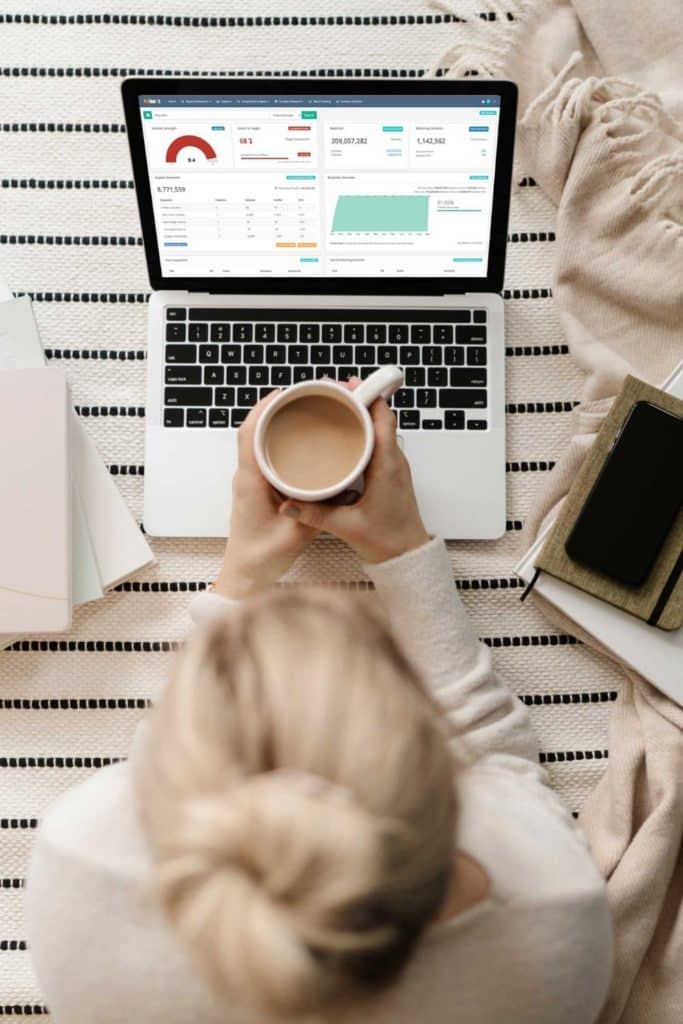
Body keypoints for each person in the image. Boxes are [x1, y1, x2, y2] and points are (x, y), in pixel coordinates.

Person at [26, 388, 613, 1023]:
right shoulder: (551, 925)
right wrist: (403, 552)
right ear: (445, 795)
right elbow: (502, 771)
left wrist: (243, 573)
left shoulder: (84, 865)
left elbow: (161, 767)